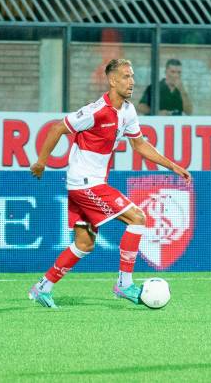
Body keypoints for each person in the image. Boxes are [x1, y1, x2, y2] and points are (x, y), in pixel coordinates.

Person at [29, 59, 191, 309]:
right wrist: (41, 162)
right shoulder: (96, 111)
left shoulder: (127, 111)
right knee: (137, 218)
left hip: (89, 183)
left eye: (133, 76)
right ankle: (124, 284)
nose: (132, 82)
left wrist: (172, 165)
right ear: (112, 80)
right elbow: (57, 128)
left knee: (84, 243)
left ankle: (43, 287)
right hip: (85, 183)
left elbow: (140, 144)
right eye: (126, 76)